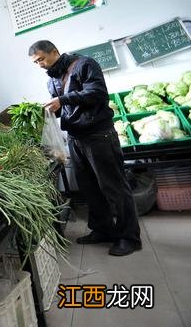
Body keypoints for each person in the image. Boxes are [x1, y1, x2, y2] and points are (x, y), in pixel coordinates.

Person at [28, 40, 141, 256]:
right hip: (76, 138)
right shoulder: (51, 81)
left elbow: (97, 93)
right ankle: (103, 230)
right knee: (89, 187)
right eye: (35, 62)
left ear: (55, 52)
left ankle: (130, 237)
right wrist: (49, 111)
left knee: (114, 186)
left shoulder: (84, 64)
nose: (39, 64)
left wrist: (62, 100)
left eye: (41, 59)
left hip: (99, 135)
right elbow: (67, 109)